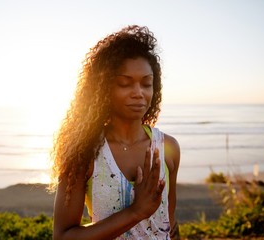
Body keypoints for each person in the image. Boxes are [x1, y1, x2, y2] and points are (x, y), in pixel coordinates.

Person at [51, 25, 180, 240]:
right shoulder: (84, 152)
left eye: (147, 84)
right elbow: (63, 236)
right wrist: (135, 212)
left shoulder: (169, 148)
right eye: (124, 83)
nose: (138, 93)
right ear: (103, 88)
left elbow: (170, 224)